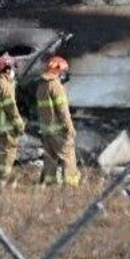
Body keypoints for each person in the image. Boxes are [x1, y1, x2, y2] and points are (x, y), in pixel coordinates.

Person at [35, 55, 80, 186]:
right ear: (58, 71)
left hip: (46, 129)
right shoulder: (56, 86)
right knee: (68, 156)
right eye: (63, 72)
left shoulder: (41, 86)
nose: (64, 75)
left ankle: (50, 184)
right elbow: (63, 110)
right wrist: (70, 127)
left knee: (50, 158)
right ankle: (71, 185)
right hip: (58, 129)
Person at [0, 54, 24, 184]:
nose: (14, 72)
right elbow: (11, 108)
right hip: (6, 126)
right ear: (7, 69)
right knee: (7, 154)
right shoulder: (5, 86)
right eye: (13, 68)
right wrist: (19, 125)